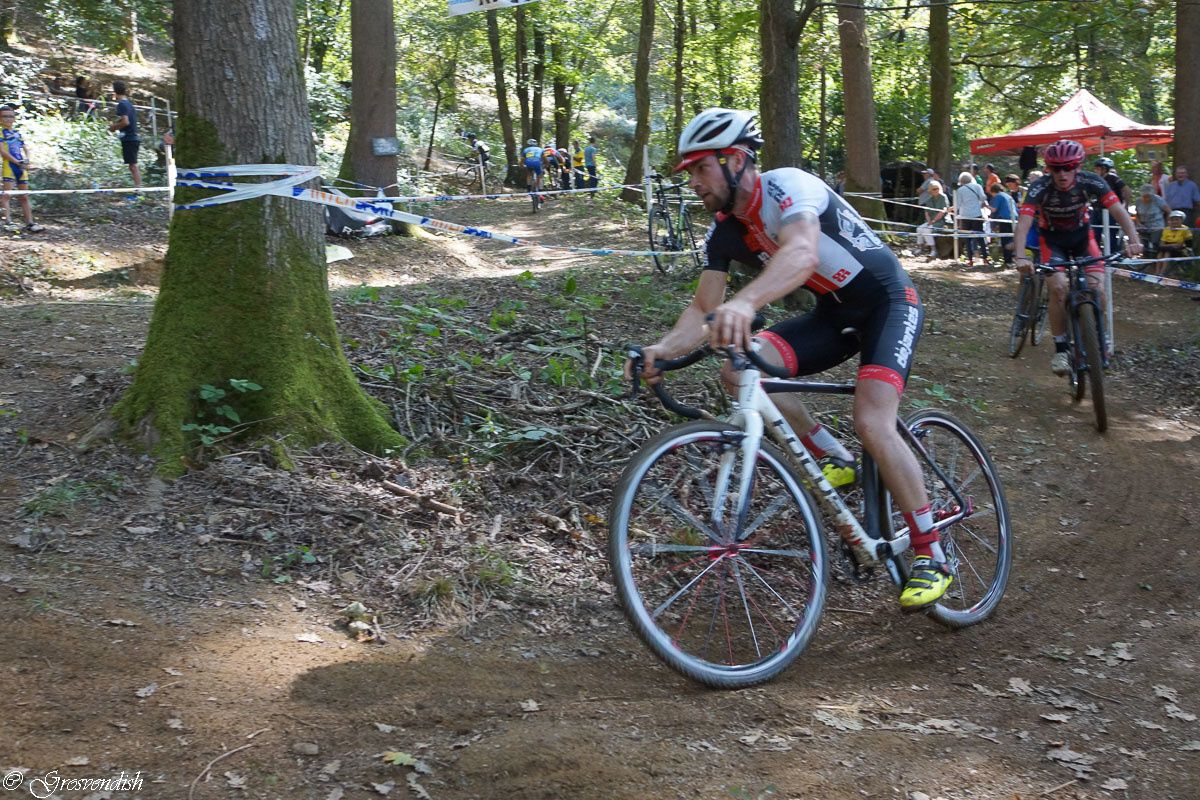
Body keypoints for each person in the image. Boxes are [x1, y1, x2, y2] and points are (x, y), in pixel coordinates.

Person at [627, 108, 953, 610]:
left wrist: (745, 302)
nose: (693, 182)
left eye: (701, 168)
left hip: (888, 302)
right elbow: (701, 309)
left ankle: (931, 551)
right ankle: (833, 457)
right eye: (689, 172)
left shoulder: (788, 187)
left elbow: (802, 253)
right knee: (739, 371)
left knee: (872, 420)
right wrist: (662, 350)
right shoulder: (724, 231)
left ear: (736, 160)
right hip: (832, 315)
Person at [1012, 140, 1142, 375]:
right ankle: (1061, 349)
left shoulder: (1092, 181)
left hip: (1083, 238)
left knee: (1097, 288)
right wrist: (1020, 256)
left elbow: (1119, 211)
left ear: (1078, 166)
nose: (1062, 173)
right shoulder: (1039, 187)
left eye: (1069, 167)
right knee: (1058, 288)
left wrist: (1133, 240)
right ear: (1048, 168)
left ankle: (1099, 334)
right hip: (1052, 240)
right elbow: (1023, 223)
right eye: (1056, 168)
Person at [0, 105, 46, 233]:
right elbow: (3, 152)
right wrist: (17, 162)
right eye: (5, 116)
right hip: (9, 166)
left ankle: (30, 223)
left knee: (24, 196)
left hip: (21, 167)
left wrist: (27, 159)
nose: (8, 119)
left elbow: (25, 148)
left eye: (11, 116)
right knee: (6, 195)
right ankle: (8, 222)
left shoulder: (17, 133)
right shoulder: (1, 132)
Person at [108, 81, 141, 194]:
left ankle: (138, 190)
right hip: (131, 137)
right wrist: (117, 123)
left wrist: (114, 127)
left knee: (133, 166)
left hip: (130, 138)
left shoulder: (122, 104)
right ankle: (138, 189)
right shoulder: (128, 103)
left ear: (115, 92)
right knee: (132, 165)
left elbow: (126, 122)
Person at [1091, 157, 1129, 252]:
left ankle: (1112, 255)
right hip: (1097, 210)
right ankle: (1095, 255)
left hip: (1110, 212)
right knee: (1094, 234)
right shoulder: (1096, 180)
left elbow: (1127, 190)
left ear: (1104, 169)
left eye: (1098, 168)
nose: (1095, 171)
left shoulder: (1112, 177)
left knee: (1110, 235)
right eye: (1095, 168)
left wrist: (1125, 207)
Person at [953, 170, 989, 266]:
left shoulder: (960, 190)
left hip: (965, 216)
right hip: (977, 214)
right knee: (980, 237)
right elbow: (983, 197)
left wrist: (952, 210)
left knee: (967, 239)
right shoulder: (978, 186)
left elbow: (957, 205)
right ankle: (985, 259)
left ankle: (970, 260)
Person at [1133, 183, 1170, 269]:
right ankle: (1145, 263)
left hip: (1157, 225)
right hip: (1143, 226)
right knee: (1143, 245)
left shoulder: (1158, 200)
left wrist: (1167, 224)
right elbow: (1137, 214)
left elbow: (1168, 211)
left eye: (1149, 196)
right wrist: (1138, 223)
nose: (1147, 198)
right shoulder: (1138, 201)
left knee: (1155, 244)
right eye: (1145, 196)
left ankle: (1156, 264)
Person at [1163, 165, 1200, 250]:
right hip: (1172, 211)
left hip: (1186, 212)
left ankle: (1187, 252)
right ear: (1176, 174)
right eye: (1179, 173)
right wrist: (1168, 212)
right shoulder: (1171, 186)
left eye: (1183, 173)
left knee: (1185, 233)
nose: (1181, 175)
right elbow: (1166, 201)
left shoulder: (1192, 185)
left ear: (1186, 174)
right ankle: (1173, 251)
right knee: (1171, 232)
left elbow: (1197, 200)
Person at [917, 180, 948, 258]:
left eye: (937, 188)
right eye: (934, 189)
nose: (936, 190)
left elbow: (942, 211)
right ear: (930, 190)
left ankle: (933, 250)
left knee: (926, 230)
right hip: (931, 221)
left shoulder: (943, 197)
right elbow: (927, 212)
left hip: (941, 221)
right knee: (919, 229)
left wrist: (933, 221)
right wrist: (929, 221)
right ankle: (920, 248)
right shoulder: (929, 200)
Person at [987, 182, 1016, 266]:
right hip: (1014, 219)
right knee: (1012, 240)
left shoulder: (998, 196)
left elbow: (994, 209)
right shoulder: (1008, 196)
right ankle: (1013, 259)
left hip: (1004, 219)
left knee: (1005, 240)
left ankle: (1007, 261)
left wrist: (986, 205)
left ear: (993, 191)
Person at [1156, 210, 1193, 274]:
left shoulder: (1185, 229)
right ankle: (1157, 271)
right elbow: (1161, 243)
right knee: (1160, 253)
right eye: (1172, 220)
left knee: (1167, 252)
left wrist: (1178, 245)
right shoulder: (1166, 229)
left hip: (1179, 249)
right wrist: (1171, 245)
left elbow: (1188, 243)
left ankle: (1162, 272)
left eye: (1177, 219)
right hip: (1167, 246)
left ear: (1182, 220)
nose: (1174, 221)